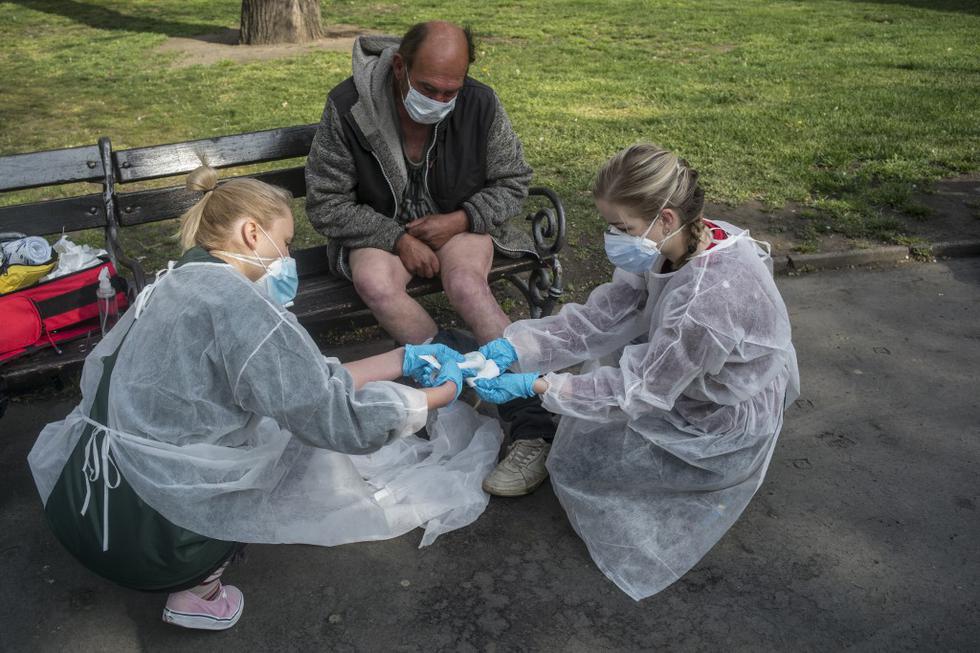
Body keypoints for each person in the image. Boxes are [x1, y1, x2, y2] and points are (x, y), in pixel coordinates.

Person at [27, 166, 469, 631]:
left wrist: (403, 357)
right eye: (288, 243)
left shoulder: (175, 280)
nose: (289, 258)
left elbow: (300, 380)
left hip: (82, 507)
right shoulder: (243, 308)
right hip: (150, 547)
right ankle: (198, 589)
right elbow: (336, 420)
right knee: (288, 442)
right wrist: (441, 393)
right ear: (252, 233)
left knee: (275, 420)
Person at [471, 144, 800, 600]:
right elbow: (608, 314)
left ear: (664, 218)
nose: (613, 237)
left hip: (719, 420)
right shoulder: (682, 241)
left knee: (593, 469)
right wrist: (514, 347)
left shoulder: (704, 304)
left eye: (621, 228)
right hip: (692, 370)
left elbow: (638, 390)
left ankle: (698, 470)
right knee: (603, 382)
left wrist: (541, 384)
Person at [305, 21, 556, 497]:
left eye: (450, 91)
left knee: (466, 284)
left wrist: (462, 218)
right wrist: (395, 237)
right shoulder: (349, 106)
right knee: (376, 283)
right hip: (382, 231)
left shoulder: (481, 104)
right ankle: (461, 375)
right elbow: (326, 202)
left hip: (460, 225)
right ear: (400, 66)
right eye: (427, 88)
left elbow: (513, 182)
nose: (439, 101)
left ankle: (532, 424)